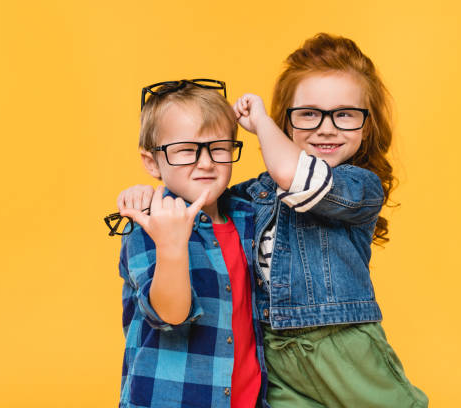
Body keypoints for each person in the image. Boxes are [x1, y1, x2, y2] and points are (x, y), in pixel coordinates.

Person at [118, 34, 428, 407]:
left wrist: (263, 124)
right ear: (289, 121)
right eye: (309, 113)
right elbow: (196, 187)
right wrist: (145, 194)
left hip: (344, 349)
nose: (326, 127)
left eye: (344, 114)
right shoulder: (243, 203)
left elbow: (292, 174)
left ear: (367, 123)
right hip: (277, 359)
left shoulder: (360, 186)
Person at [110, 80, 268, 408]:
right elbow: (170, 315)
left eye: (220, 147)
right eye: (186, 150)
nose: (207, 162)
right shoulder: (149, 224)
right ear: (152, 162)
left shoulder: (248, 214)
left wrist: (263, 125)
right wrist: (171, 246)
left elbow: (293, 182)